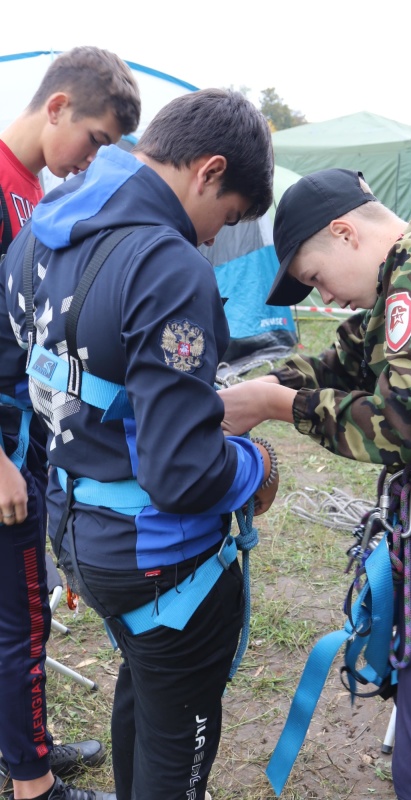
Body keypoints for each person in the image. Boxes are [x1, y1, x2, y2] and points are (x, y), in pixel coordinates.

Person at [219, 168, 411, 800]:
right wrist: (244, 392)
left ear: (344, 233)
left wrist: (276, 407)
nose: (327, 297)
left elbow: (403, 424)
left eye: (315, 277)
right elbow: (338, 363)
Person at [3, 87, 277, 800]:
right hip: (157, 553)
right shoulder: (166, 263)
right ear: (209, 170)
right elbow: (181, 474)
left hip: (77, 531)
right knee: (176, 720)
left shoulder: (37, 234)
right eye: (231, 216)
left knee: (148, 677)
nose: (218, 237)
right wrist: (258, 464)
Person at [0, 45, 142, 800]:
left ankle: (24, 742)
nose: (91, 163)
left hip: (29, 432)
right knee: (23, 617)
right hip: (3, 451)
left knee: (17, 610)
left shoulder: (31, 189)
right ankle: (34, 784)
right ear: (57, 107)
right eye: (95, 141)